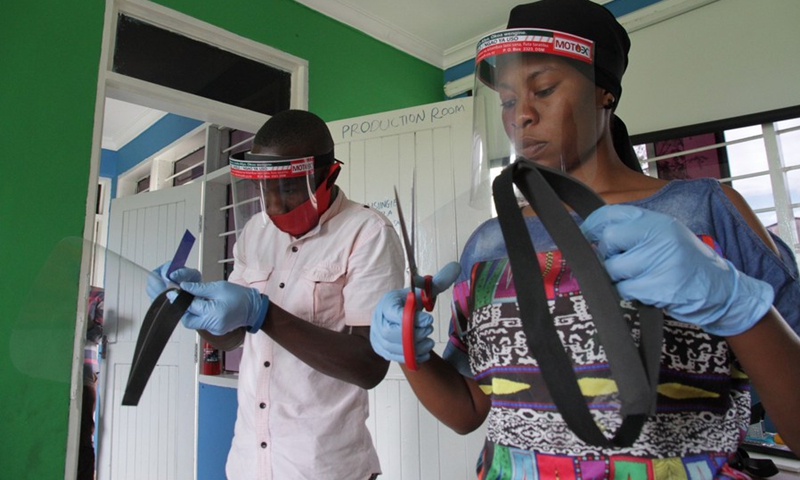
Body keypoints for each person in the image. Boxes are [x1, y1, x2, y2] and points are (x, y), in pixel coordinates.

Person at [370, 1, 800, 478]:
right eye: (509, 101)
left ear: (603, 93)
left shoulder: (706, 210)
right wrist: (413, 354)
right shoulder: (491, 243)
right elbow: (468, 409)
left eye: (545, 89)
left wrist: (738, 307)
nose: (521, 116)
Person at [148, 110, 405, 480]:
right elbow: (231, 335)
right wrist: (193, 310)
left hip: (325, 468)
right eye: (263, 187)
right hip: (248, 464)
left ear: (328, 175)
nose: (273, 205)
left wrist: (262, 313)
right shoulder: (255, 231)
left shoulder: (367, 234)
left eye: (287, 187)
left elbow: (369, 366)